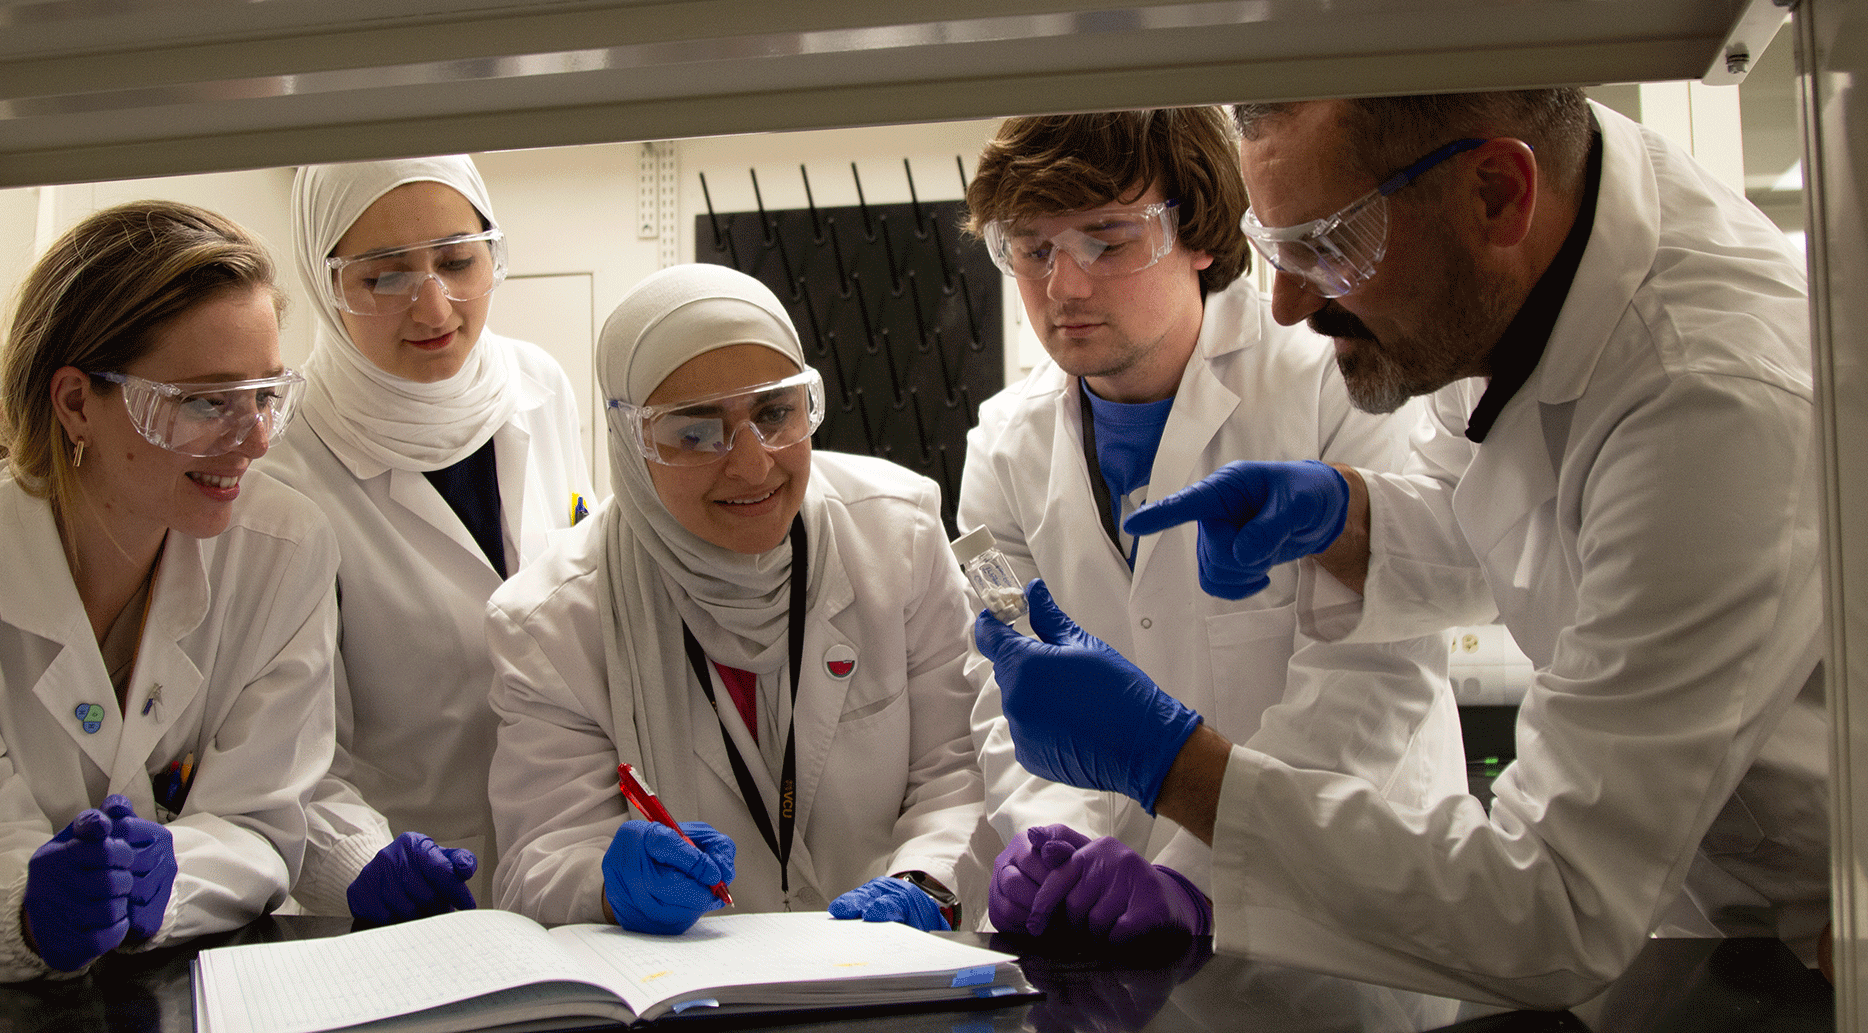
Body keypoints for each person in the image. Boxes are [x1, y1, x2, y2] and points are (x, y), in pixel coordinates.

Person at [973, 89, 1829, 1008]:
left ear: (1500, 192)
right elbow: (1506, 532)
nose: (1289, 304)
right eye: (1279, 247)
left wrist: (1169, 764)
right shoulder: (1531, 243)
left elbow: (1554, 909)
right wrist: (1351, 515)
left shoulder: (1706, 398)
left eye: (1329, 245)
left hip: (1813, 918)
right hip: (1684, 898)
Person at [958, 108, 1465, 947]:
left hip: (1337, 911)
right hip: (1111, 930)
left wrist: (1198, 877)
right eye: (1032, 246)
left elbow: (1373, 678)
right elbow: (1008, 684)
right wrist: (1053, 843)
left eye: (1107, 240)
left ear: (1199, 233)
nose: (1064, 286)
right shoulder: (1001, 448)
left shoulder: (1335, 382)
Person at [0, 200, 337, 982]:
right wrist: (28, 905)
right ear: (75, 402)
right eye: (205, 401)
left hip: (181, 982)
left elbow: (260, 822)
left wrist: (169, 879)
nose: (255, 440)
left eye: (264, 394)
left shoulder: (283, 549)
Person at [488, 263, 983, 935]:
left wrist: (924, 878)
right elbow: (537, 860)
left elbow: (956, 770)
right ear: (631, 444)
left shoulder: (901, 533)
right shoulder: (550, 621)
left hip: (893, 970)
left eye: (775, 412)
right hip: (686, 988)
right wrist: (603, 882)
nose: (752, 465)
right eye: (695, 432)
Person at [261, 155, 594, 925]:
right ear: (322, 280)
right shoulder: (285, 467)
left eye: (456, 260)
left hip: (567, 858)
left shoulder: (539, 386)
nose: (434, 306)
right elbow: (282, 749)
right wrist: (360, 862)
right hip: (398, 894)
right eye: (383, 276)